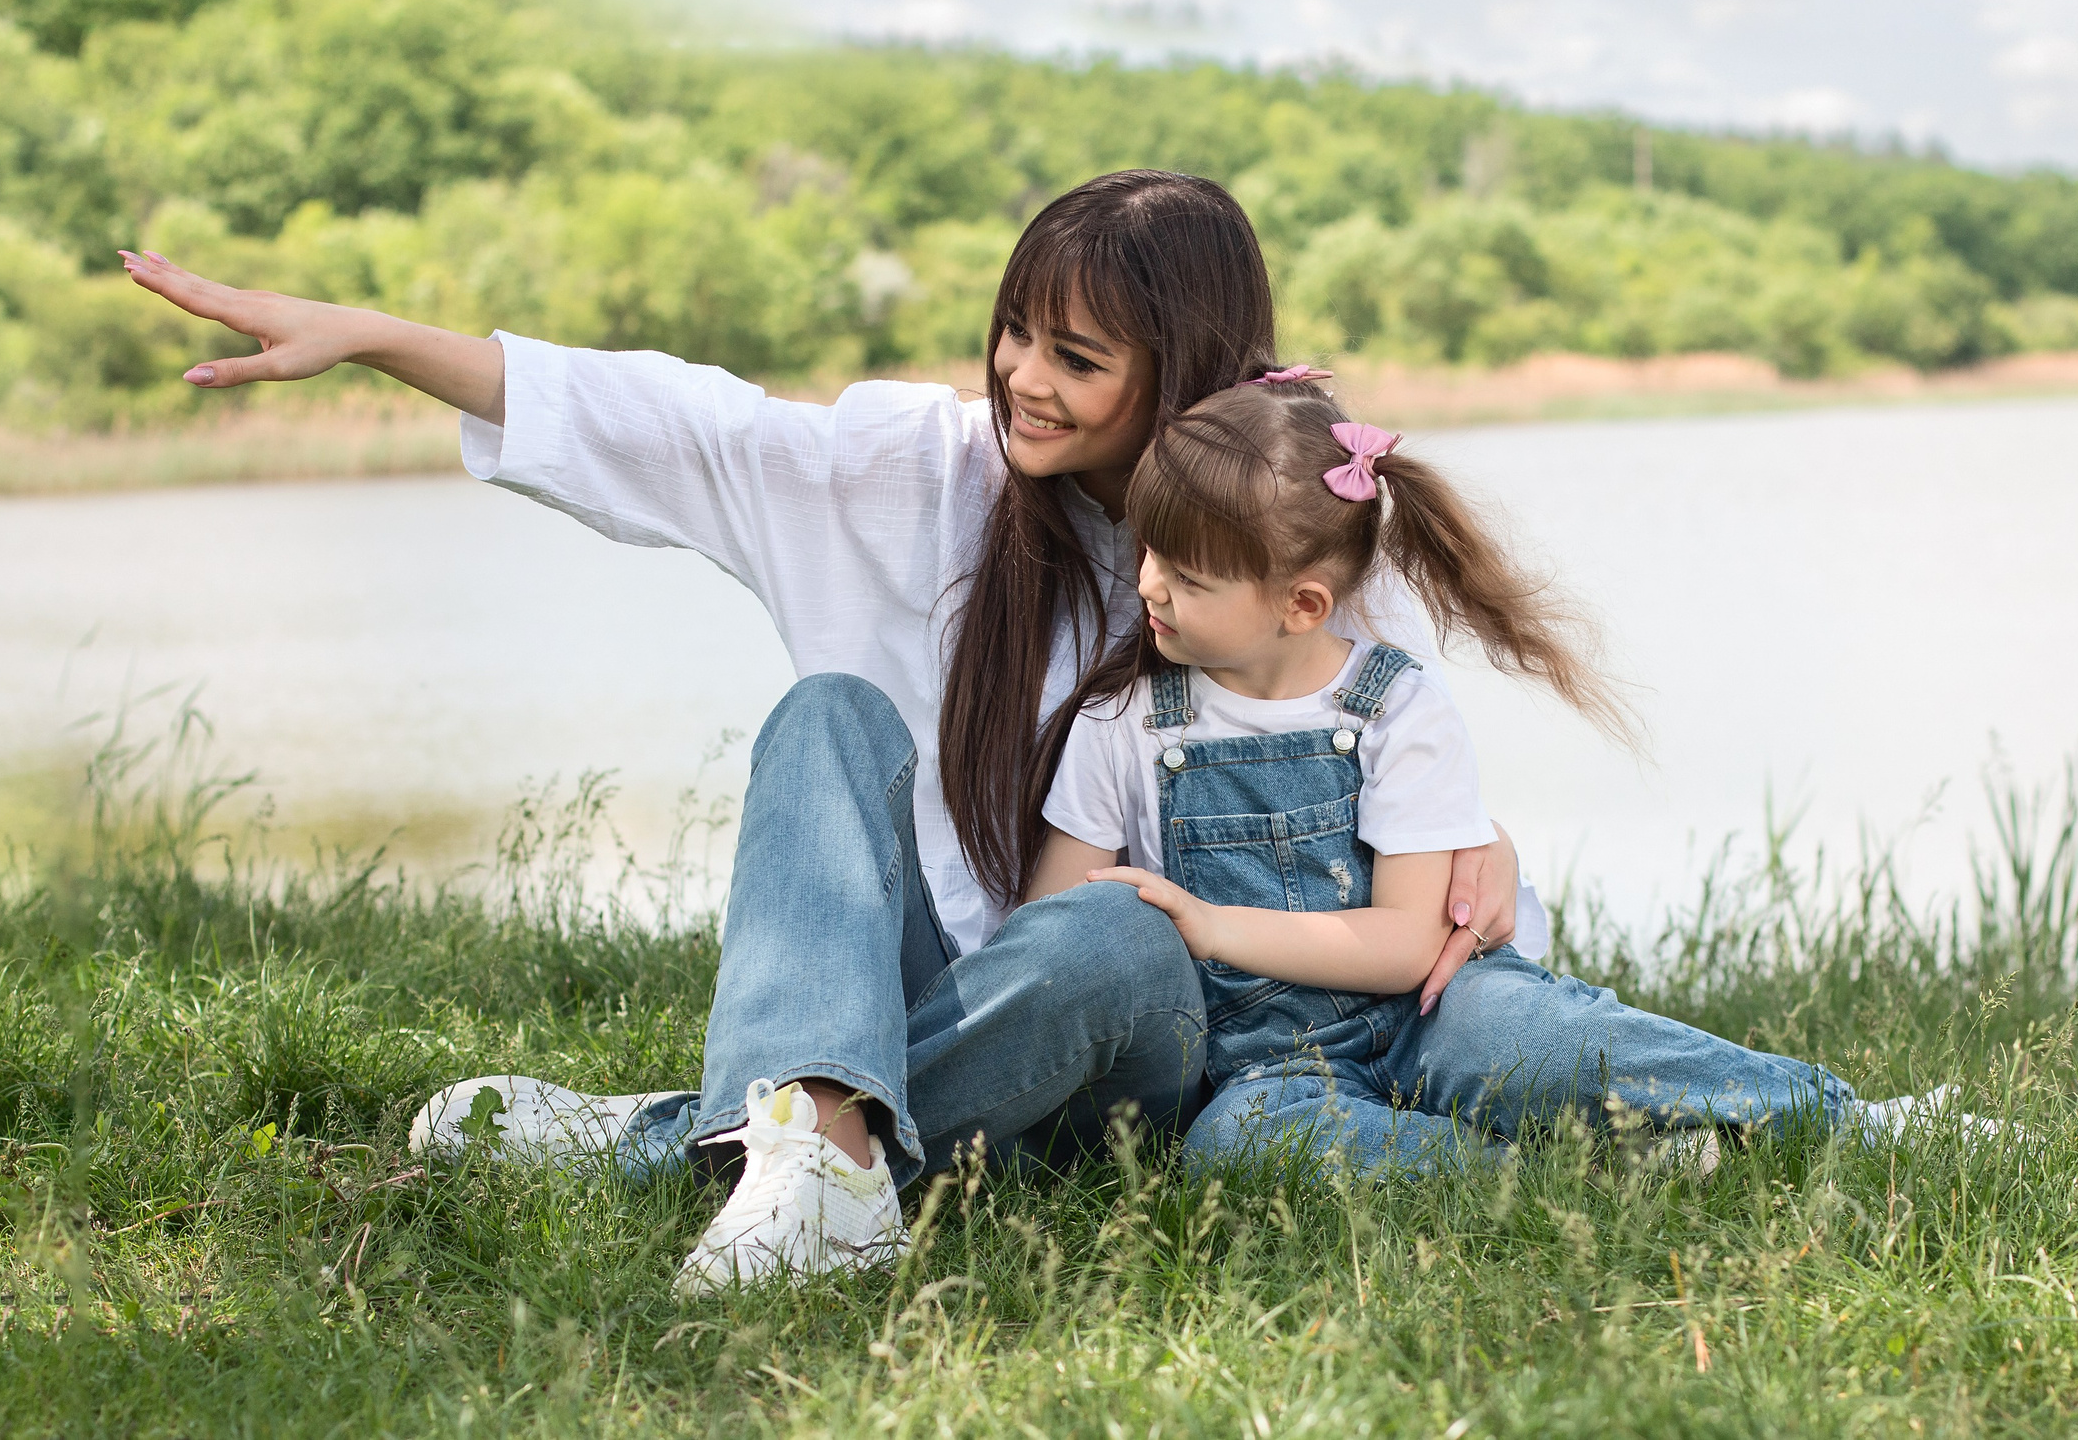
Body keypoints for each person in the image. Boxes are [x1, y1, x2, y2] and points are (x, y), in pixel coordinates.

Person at [119, 170, 1534, 1293]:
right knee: (827, 717)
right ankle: (819, 1157)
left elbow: (1403, 792)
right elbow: (685, 425)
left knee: (1114, 927)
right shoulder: (925, 470)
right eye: (1016, 329)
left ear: (1179, 371)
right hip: (938, 984)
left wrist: (1487, 848)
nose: (1022, 375)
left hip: (1150, 1045)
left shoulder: (1301, 532)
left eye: (1077, 355)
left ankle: (706, 1135)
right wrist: (373, 338)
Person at [1030, 373, 1966, 1174]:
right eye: (1148, 550)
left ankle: (1847, 1118)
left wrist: (1208, 925)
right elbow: (1058, 930)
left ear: (1302, 604)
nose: (1148, 583)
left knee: (1551, 1044)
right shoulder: (1123, 723)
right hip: (1268, 1067)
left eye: (1187, 575)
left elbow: (1404, 941)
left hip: (1438, 1009)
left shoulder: (1394, 708)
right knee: (1235, 1147)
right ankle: (1579, 1173)